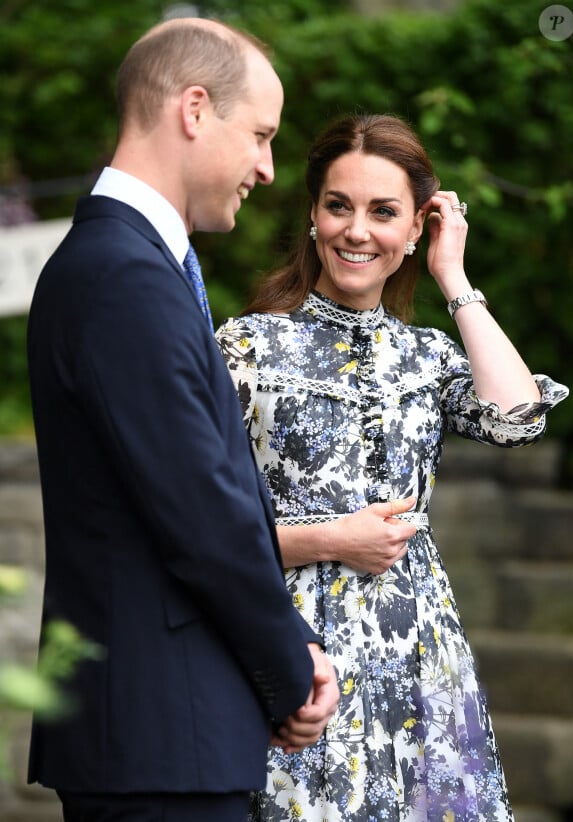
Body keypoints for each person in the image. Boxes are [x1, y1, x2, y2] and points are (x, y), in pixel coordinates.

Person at [26, 18, 340, 822]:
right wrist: (291, 662)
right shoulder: (121, 273)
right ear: (195, 109)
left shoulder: (131, 264)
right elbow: (199, 507)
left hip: (165, 734)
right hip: (158, 740)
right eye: (261, 136)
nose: (268, 169)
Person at [215, 112, 569, 821]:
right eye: (338, 206)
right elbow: (198, 530)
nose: (357, 231)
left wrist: (453, 274)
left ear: (415, 230)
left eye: (384, 213)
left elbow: (517, 417)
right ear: (313, 216)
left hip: (418, 651)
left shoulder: (429, 356)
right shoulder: (245, 350)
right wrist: (329, 539)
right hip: (296, 653)